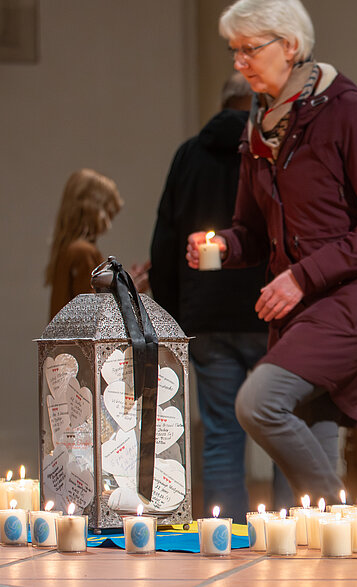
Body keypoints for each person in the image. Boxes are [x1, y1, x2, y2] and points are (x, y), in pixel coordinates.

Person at [186, 0, 357, 502]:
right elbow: (250, 228)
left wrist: (301, 278)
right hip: (303, 298)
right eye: (234, 52)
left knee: (259, 403)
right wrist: (223, 245)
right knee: (315, 427)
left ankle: (341, 519)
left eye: (249, 50)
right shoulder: (260, 126)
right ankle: (321, 558)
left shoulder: (354, 113)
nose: (239, 63)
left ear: (289, 46)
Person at [149, 72, 292, 522]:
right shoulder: (273, 152)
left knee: (220, 437)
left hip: (207, 318)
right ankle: (295, 536)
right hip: (273, 309)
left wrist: (176, 321)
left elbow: (166, 242)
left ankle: (225, 543)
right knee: (284, 429)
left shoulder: (189, 156)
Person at [46, 169, 148, 318]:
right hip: (78, 341)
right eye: (109, 211)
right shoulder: (82, 252)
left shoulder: (69, 249)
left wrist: (123, 284)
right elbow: (94, 314)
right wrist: (132, 290)